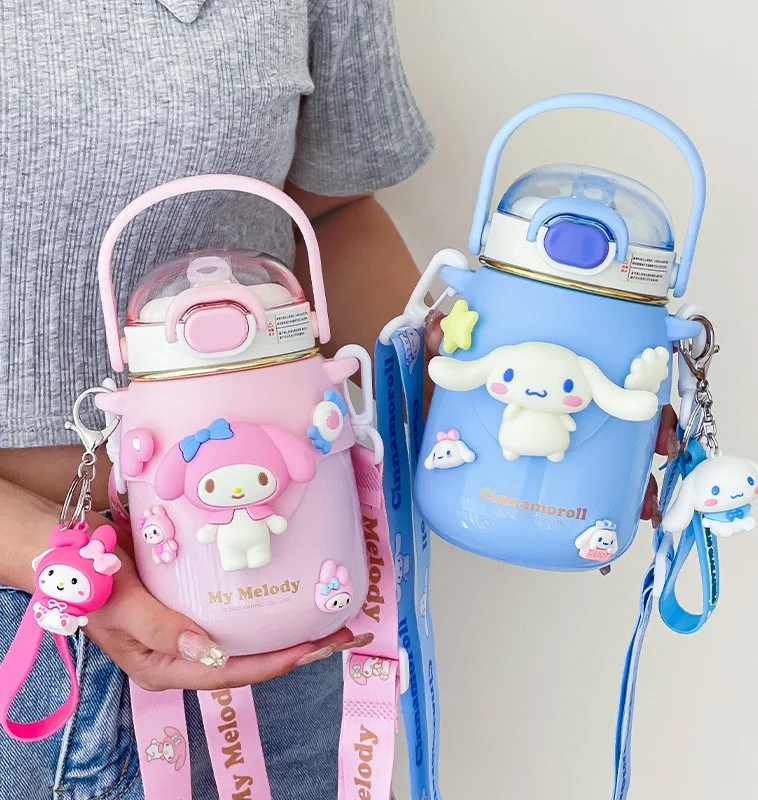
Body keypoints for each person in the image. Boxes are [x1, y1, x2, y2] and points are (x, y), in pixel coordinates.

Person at [0, 2, 435, 798]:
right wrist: (39, 549)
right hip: (30, 626)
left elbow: (330, 214)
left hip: (278, 614)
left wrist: (477, 407)